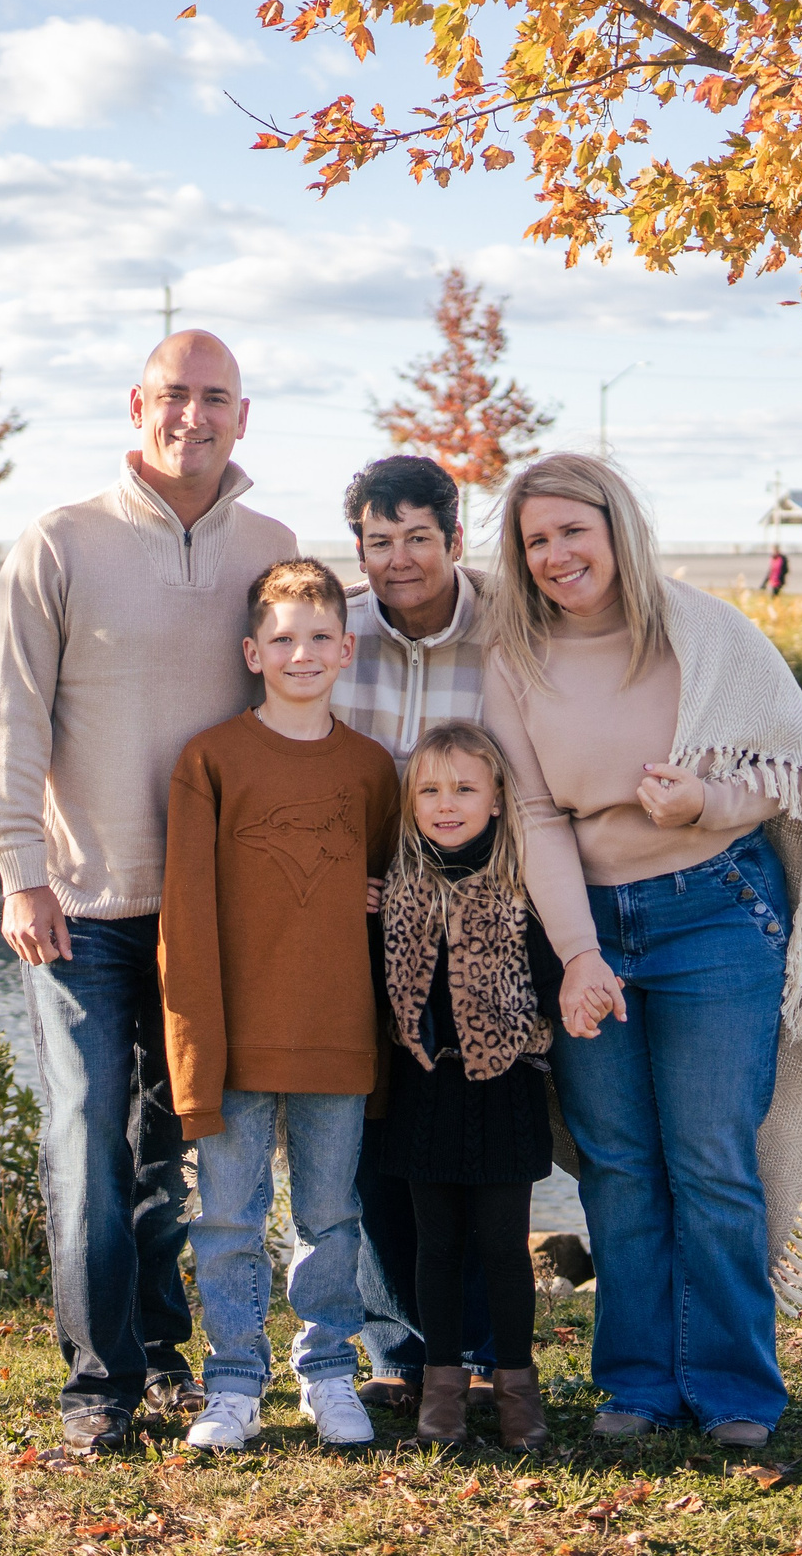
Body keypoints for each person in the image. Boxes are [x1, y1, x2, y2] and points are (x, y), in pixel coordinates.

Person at [481, 451, 802, 1449]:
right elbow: (533, 816)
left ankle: (734, 1386)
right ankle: (639, 1385)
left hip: (714, 911)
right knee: (616, 1165)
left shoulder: (702, 635)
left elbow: (789, 762)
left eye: (574, 530)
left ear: (615, 529)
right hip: (590, 925)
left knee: (710, 1159)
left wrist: (708, 800)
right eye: (537, 540)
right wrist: (574, 954)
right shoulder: (517, 661)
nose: (559, 554)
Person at [0, 330, 299, 1457]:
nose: (193, 417)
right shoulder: (58, 542)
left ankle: (162, 1348)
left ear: (242, 417)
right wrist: (19, 869)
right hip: (78, 901)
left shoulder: (272, 546)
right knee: (86, 1141)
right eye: (175, 396)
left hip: (214, 910)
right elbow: (13, 719)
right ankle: (98, 1385)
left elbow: (296, 713)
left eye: (216, 399)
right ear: (136, 405)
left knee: (175, 1141)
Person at [159, 559, 401, 1450]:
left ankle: (329, 1372)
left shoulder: (372, 769)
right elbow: (184, 917)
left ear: (345, 648)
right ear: (253, 651)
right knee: (226, 1216)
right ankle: (231, 1384)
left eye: (319, 637)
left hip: (337, 1033)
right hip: (237, 1035)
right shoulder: (211, 760)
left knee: (331, 1216)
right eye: (283, 638)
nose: (302, 653)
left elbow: (383, 889)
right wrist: (196, 1052)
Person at [329, 454, 498, 1411]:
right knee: (369, 1141)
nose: (398, 560)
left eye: (417, 539)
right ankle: (396, 1352)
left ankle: (474, 1349)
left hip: (477, 924)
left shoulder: (508, 630)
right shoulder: (335, 634)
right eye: (378, 541)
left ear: (454, 537)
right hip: (358, 921)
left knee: (469, 1138)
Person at [375, 720, 560, 1451]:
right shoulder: (397, 890)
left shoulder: (522, 886)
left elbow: (553, 982)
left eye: (463, 788)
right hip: (425, 1093)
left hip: (504, 1089)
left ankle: (517, 1388)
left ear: (495, 797)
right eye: (429, 789)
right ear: (410, 800)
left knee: (503, 1245)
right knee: (436, 1246)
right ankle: (440, 1394)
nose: (445, 803)